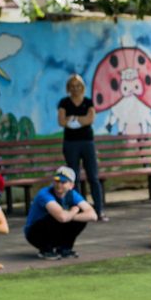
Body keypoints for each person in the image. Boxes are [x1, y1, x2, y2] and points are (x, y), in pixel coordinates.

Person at [58, 74, 106, 221]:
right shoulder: (64, 102)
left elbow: (90, 119)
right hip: (71, 144)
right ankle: (78, 210)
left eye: (78, 86)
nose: (75, 89)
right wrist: (77, 120)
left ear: (83, 87)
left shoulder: (88, 102)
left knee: (93, 177)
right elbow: (61, 121)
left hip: (87, 143)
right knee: (74, 178)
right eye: (72, 86)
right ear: (68, 88)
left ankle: (99, 210)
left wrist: (74, 119)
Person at [24, 166, 97, 259]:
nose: (59, 185)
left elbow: (93, 215)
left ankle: (65, 248)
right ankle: (46, 249)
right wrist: (73, 211)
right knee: (54, 216)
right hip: (35, 234)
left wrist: (71, 216)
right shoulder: (45, 194)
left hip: (56, 230)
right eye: (57, 181)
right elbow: (62, 217)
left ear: (71, 185)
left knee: (82, 215)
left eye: (63, 182)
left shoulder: (72, 194)